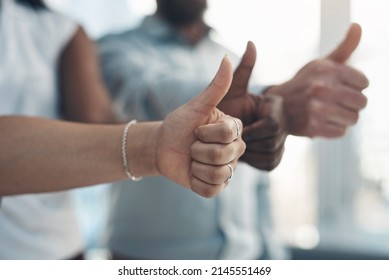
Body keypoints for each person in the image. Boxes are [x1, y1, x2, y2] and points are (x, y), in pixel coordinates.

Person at [98, 0, 368, 259]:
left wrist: (272, 258)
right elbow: (150, 95)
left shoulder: (234, 59)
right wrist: (271, 99)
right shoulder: (114, 49)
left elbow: (258, 177)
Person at [0, 0, 245, 259]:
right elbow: (145, 93)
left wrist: (153, 146)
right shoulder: (113, 45)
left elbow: (100, 124)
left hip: (53, 246)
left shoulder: (59, 29)